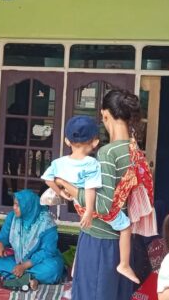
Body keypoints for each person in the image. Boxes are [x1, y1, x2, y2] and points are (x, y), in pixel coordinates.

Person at [55, 88, 144, 299]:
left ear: (105, 115)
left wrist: (65, 184)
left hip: (99, 242)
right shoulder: (134, 150)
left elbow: (103, 206)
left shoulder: (108, 152)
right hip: (122, 242)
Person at [41, 115, 138, 284]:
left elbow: (48, 179)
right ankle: (124, 264)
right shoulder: (92, 163)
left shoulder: (58, 163)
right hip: (96, 211)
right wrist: (90, 211)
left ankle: (77, 267)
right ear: (95, 142)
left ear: (66, 141)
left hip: (78, 205)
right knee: (126, 226)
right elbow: (90, 189)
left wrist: (60, 192)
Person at [0, 189, 65, 290]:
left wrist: (24, 266)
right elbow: (2, 237)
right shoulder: (12, 217)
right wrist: (0, 245)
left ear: (28, 207)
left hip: (38, 262)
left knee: (53, 268)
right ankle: (30, 279)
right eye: (14, 204)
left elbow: (48, 251)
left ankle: (18, 276)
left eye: (17, 205)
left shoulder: (47, 223)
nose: (14, 207)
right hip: (17, 259)